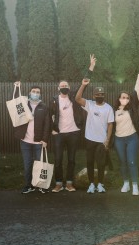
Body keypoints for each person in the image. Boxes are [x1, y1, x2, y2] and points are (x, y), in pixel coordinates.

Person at [49, 56, 95, 193]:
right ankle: (58, 183)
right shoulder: (54, 101)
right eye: (62, 86)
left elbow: (84, 83)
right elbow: (50, 116)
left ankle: (69, 183)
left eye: (66, 86)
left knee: (71, 159)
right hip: (59, 134)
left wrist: (91, 67)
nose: (64, 87)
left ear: (69, 88)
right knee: (57, 160)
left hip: (73, 133)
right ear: (58, 88)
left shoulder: (74, 98)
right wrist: (53, 129)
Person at [75, 58, 114, 193]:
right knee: (90, 162)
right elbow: (77, 98)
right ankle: (91, 184)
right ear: (94, 95)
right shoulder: (90, 104)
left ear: (104, 95)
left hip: (102, 140)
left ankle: (100, 184)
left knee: (101, 163)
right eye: (97, 94)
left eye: (102, 94)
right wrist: (83, 85)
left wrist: (107, 140)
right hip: (90, 139)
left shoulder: (108, 108)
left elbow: (110, 125)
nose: (99, 96)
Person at [13, 82, 51, 194]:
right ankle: (27, 185)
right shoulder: (24, 104)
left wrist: (45, 140)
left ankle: (40, 185)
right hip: (25, 141)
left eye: (38, 92)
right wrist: (16, 87)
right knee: (27, 164)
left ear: (40, 95)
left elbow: (47, 125)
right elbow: (15, 100)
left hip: (39, 142)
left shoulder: (44, 107)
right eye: (33, 91)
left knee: (39, 164)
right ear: (29, 93)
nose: (35, 93)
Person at [113, 91, 139, 196]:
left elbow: (137, 91)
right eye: (123, 97)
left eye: (127, 97)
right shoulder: (114, 110)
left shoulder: (132, 108)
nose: (125, 99)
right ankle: (126, 183)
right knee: (122, 162)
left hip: (132, 138)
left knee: (131, 161)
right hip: (119, 139)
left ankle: (135, 185)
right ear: (119, 98)